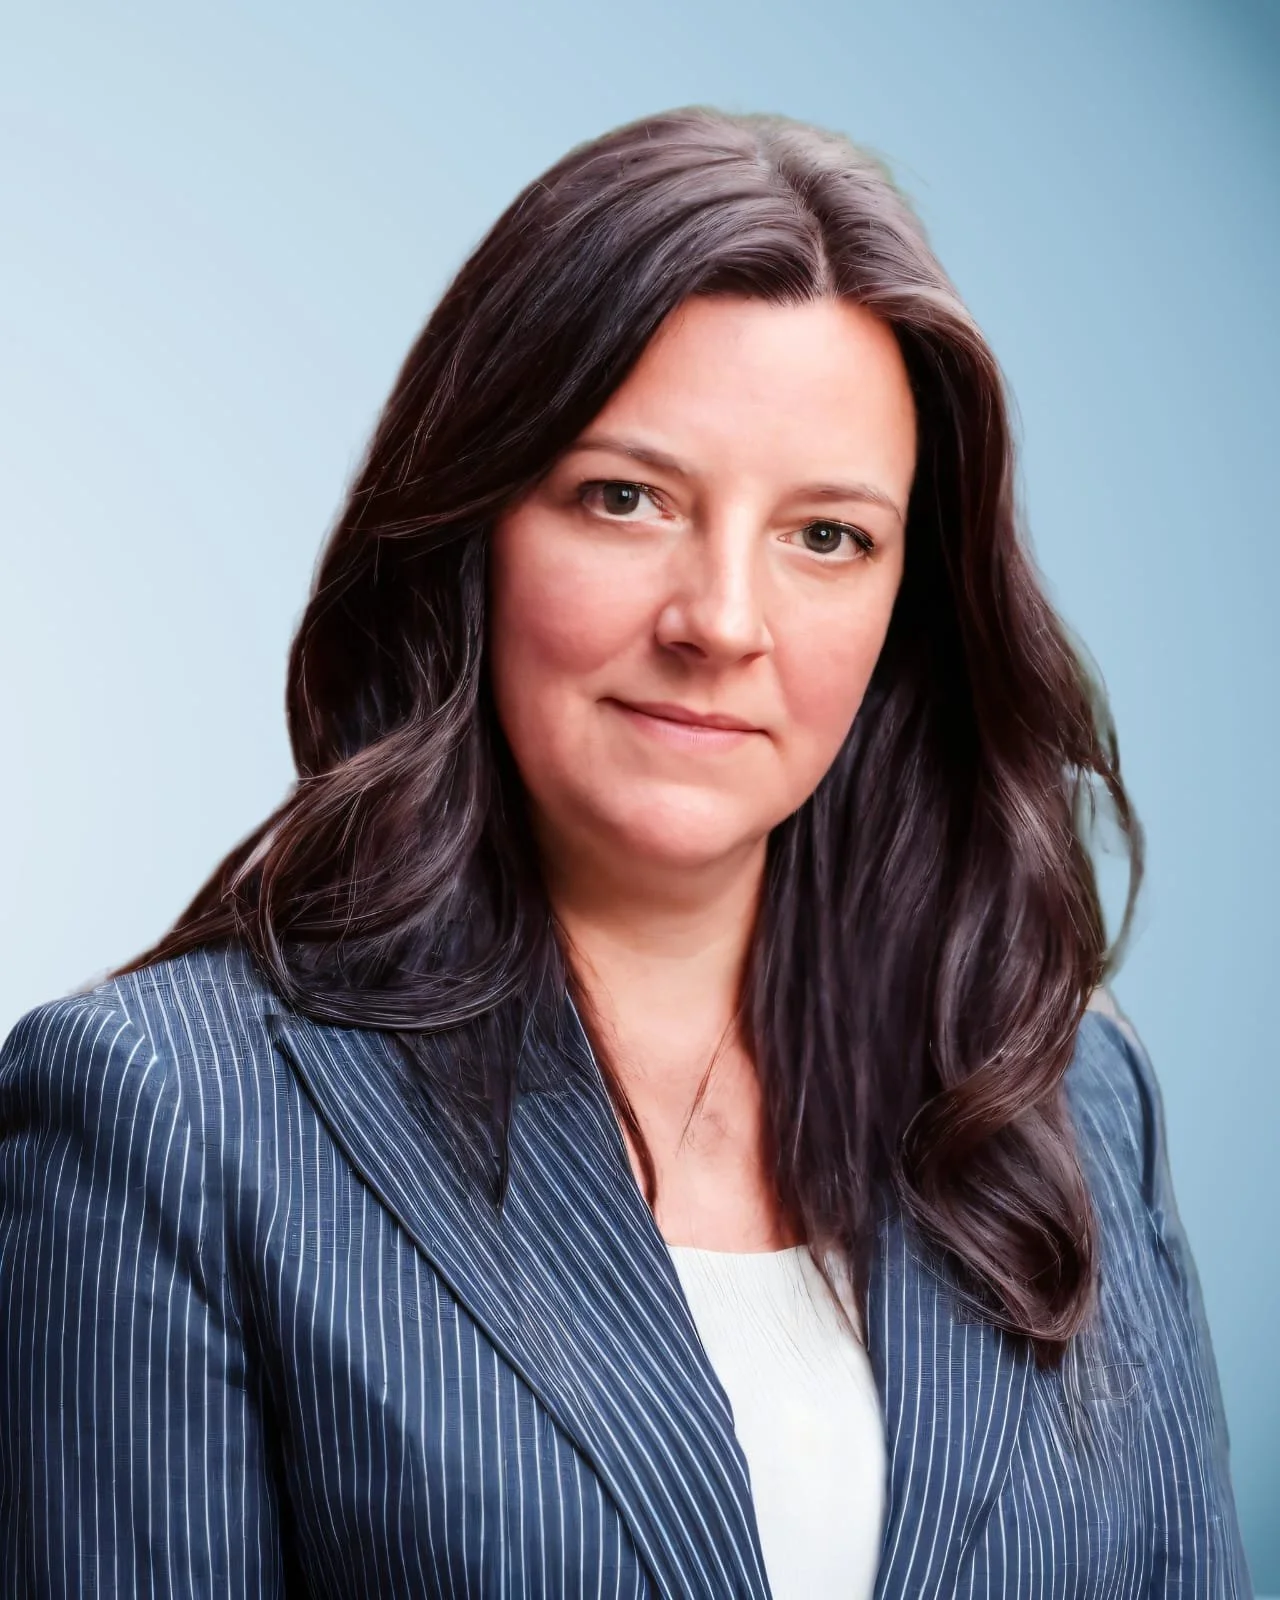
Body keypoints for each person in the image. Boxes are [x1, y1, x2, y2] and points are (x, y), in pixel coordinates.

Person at [0, 104, 1252, 1599]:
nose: (722, 621)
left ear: (909, 606)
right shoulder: (167, 1120)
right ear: (473, 532)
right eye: (626, 499)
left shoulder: (1066, 1104)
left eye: (829, 536)